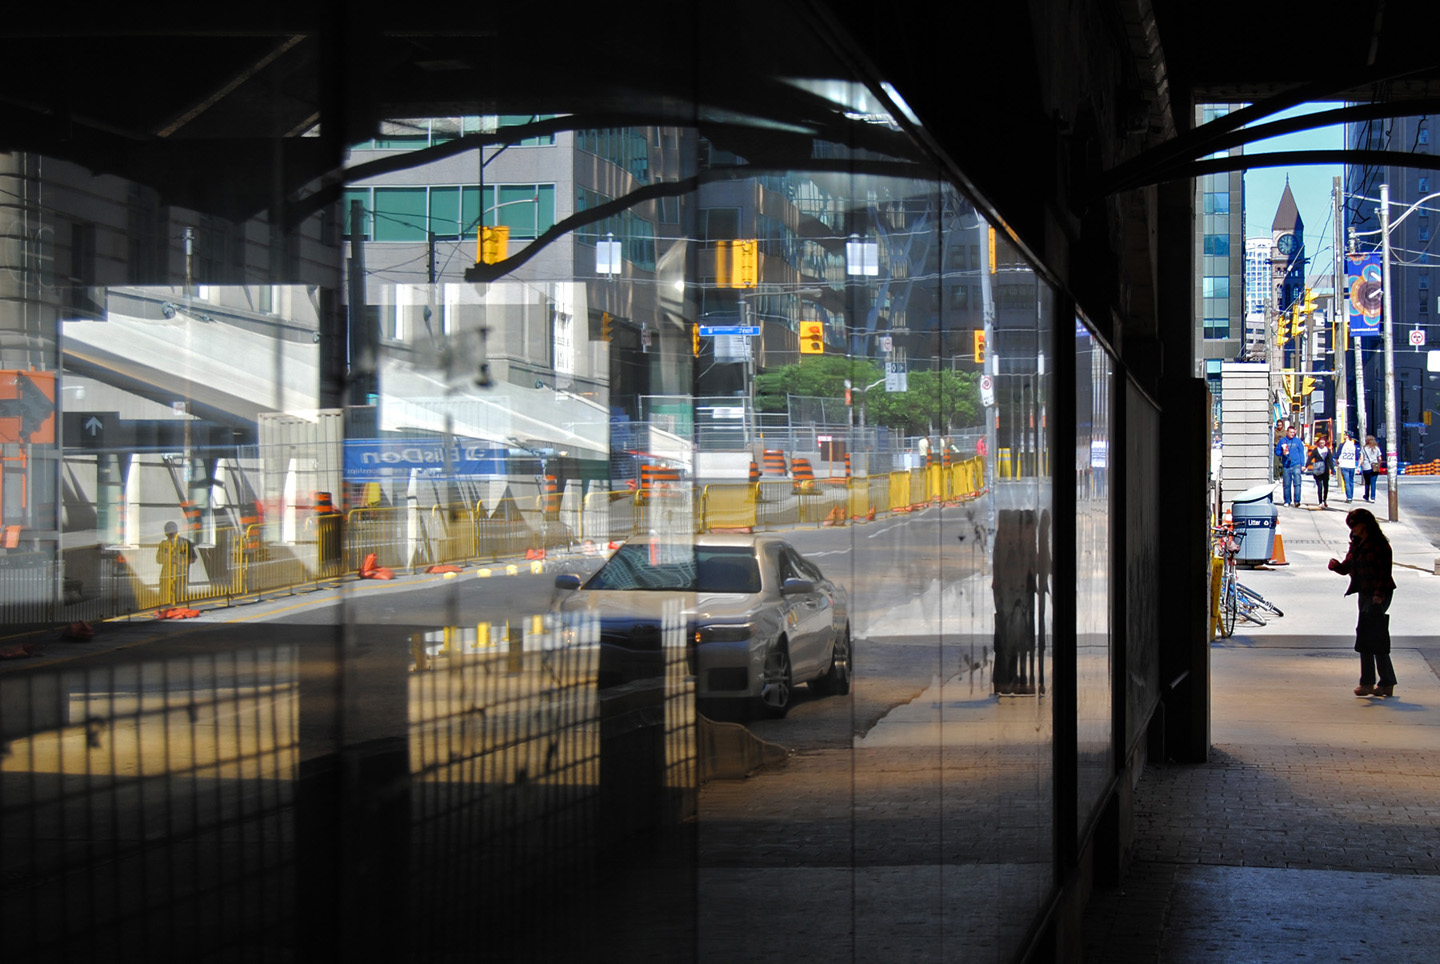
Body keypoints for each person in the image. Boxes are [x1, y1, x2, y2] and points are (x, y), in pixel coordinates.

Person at [1327, 508, 1398, 697]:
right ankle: (1376, 682)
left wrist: (1378, 595)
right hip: (1365, 592)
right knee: (1367, 635)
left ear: (1364, 525)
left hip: (1379, 593)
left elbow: (1384, 573)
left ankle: (1380, 682)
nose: (1352, 530)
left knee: (1372, 635)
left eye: (1354, 526)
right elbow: (1347, 566)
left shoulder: (1380, 545)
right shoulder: (1357, 543)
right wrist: (1337, 567)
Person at [156, 520, 197, 605]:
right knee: (165, 598)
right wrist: (168, 559)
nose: (169, 534)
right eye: (168, 532)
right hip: (166, 575)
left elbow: (193, 558)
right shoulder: (163, 544)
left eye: (171, 531)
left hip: (180, 575)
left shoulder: (185, 543)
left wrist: (181, 562)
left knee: (180, 597)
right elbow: (158, 559)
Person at [1274, 425, 1307, 507]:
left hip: (1296, 465)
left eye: (1293, 432)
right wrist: (1282, 453)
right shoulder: (1282, 441)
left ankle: (1297, 501)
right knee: (1287, 485)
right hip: (1286, 465)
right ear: (1287, 432)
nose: (1292, 434)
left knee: (1297, 483)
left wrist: (1303, 465)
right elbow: (1277, 451)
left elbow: (1301, 453)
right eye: (1291, 432)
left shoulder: (1298, 441)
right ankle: (1287, 500)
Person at [1305, 435, 1335, 509]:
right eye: (1320, 443)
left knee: (1326, 486)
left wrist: (1332, 469)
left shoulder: (1327, 450)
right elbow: (1310, 458)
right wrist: (1306, 466)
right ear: (1318, 443)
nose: (1322, 444)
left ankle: (1324, 500)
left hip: (1325, 470)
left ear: (1325, 443)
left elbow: (1330, 460)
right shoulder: (1316, 450)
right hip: (1318, 470)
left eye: (1323, 443)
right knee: (1319, 486)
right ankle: (1320, 501)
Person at [1335, 431, 1360, 503]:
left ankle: (1349, 497)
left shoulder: (1342, 445)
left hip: (1344, 465)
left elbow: (1337, 455)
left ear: (1347, 436)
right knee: (1351, 481)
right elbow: (1357, 457)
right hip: (1352, 465)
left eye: (1345, 435)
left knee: (1346, 482)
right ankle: (1351, 496)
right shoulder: (1353, 445)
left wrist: (1337, 463)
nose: (1344, 436)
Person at [1359, 434, 1382, 503]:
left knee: (1367, 482)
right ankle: (1373, 497)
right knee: (1373, 483)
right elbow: (1380, 458)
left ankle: (1366, 496)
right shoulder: (1376, 448)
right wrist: (1378, 465)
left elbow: (1361, 458)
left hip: (1366, 467)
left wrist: (1359, 466)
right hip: (1375, 467)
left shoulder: (1364, 448)